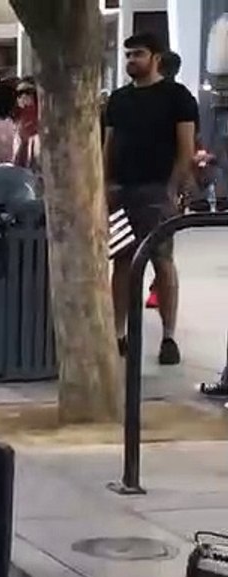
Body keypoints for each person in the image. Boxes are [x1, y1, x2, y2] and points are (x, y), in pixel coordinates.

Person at [104, 32, 197, 365]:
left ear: (156, 57)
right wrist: (105, 184)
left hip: (157, 190)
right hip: (121, 190)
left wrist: (173, 188)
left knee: (162, 260)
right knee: (121, 260)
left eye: (138, 54)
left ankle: (168, 336)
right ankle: (118, 334)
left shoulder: (177, 96)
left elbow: (186, 147)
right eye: (128, 55)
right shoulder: (118, 99)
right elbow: (109, 145)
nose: (131, 60)